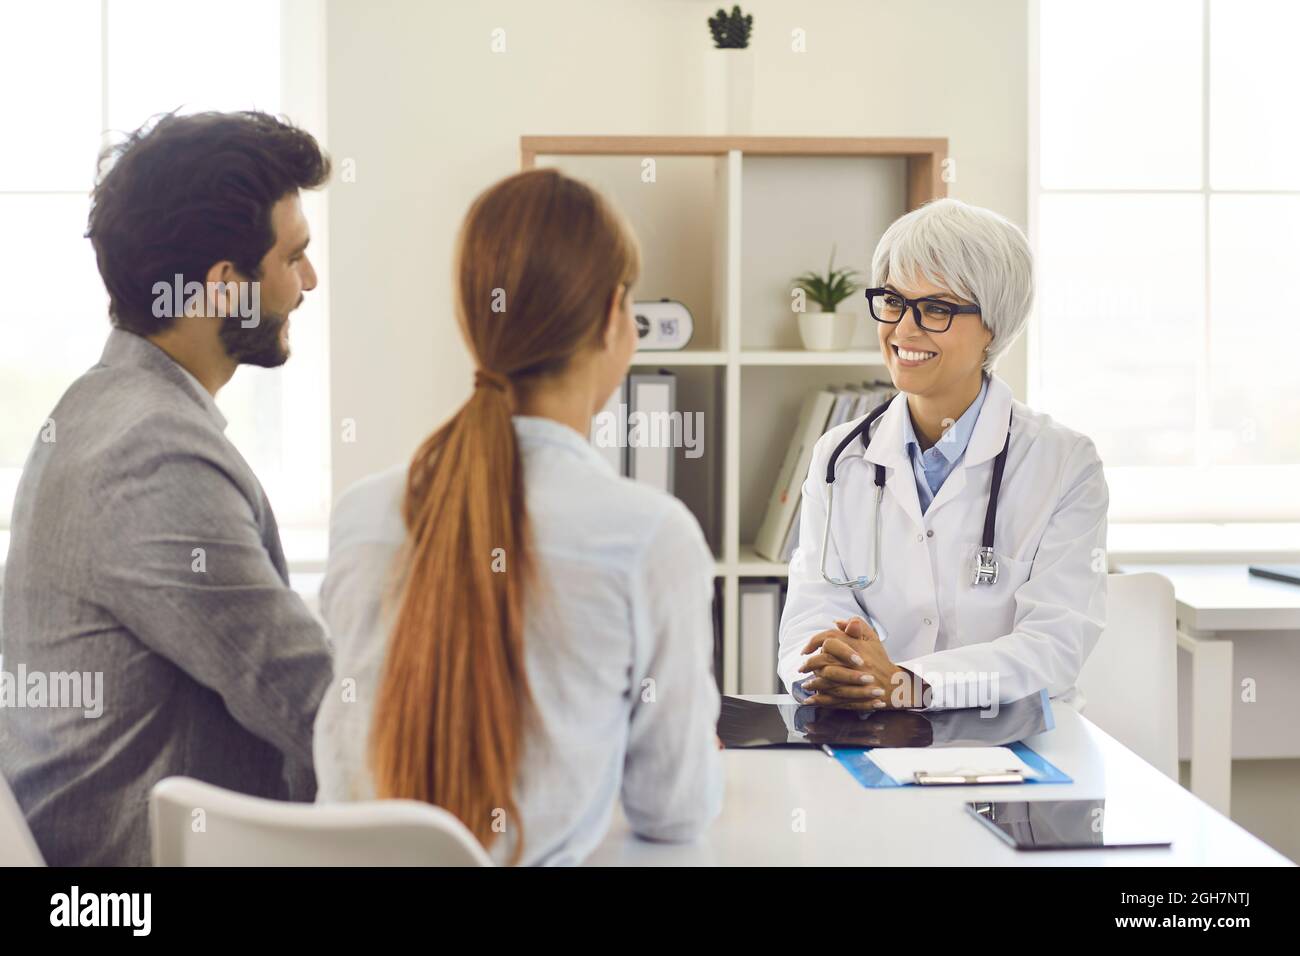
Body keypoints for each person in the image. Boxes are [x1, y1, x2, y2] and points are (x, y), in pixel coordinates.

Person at [313, 167, 723, 865]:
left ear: (471, 321)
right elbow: (672, 814)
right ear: (614, 319)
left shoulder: (362, 516)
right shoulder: (649, 537)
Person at [0, 111, 333, 866]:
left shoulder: (102, 408)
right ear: (223, 290)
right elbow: (309, 701)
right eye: (295, 257)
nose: (308, 281)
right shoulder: (150, 453)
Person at [778, 198, 1108, 712]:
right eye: (893, 300)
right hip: (870, 732)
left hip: (1013, 747)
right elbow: (813, 604)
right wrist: (834, 668)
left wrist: (911, 683)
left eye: (937, 309)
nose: (903, 330)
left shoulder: (1064, 464)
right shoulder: (840, 456)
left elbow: (1054, 645)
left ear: (993, 328)